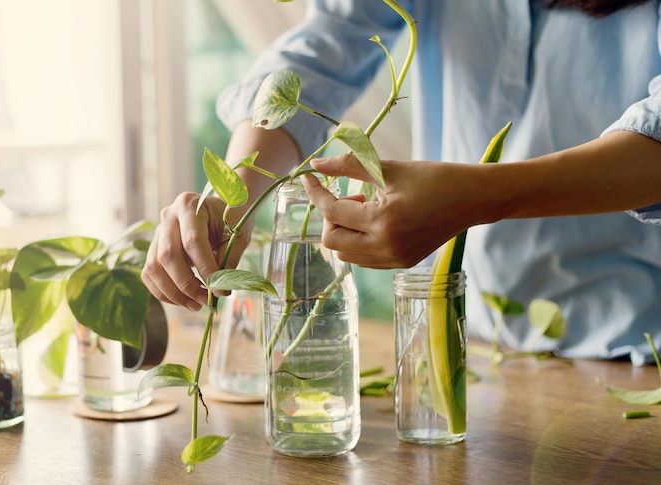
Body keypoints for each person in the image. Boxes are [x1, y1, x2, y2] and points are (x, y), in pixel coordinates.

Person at [142, 0, 661, 365]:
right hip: (473, 345)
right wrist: (233, 196)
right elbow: (327, 43)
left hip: (637, 348)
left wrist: (472, 200)